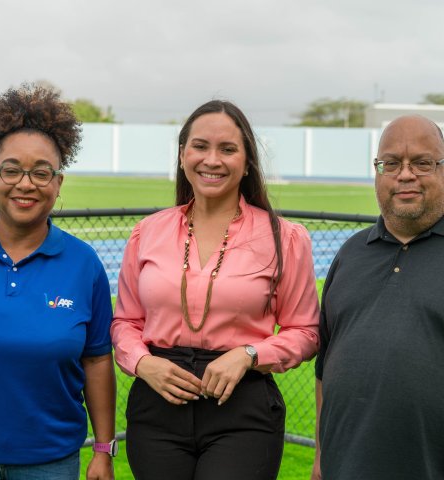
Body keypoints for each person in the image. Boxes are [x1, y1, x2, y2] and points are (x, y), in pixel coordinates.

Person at [111, 100, 319, 480]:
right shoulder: (147, 232)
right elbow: (125, 322)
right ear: (182, 155)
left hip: (242, 410)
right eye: (200, 146)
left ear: (247, 161)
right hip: (157, 406)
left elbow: (305, 331)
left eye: (227, 149)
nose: (212, 160)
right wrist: (143, 363)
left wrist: (249, 354)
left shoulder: (285, 238)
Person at [0, 84, 116, 480]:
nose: (25, 183)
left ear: (58, 182)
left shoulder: (84, 264)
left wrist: (103, 450)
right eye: (12, 169)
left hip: (52, 462)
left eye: (41, 172)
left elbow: (97, 360)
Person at [311, 115, 444, 480]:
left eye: (422, 163)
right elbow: (325, 367)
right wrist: (321, 457)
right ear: (377, 171)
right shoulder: (350, 254)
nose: (405, 175)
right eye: (391, 163)